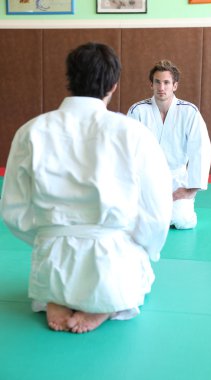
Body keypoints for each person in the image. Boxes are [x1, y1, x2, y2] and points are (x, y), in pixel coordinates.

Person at [0, 43, 172, 333]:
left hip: (52, 256)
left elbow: (13, 210)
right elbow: (157, 212)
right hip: (111, 255)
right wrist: (141, 246)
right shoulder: (133, 133)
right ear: (114, 85)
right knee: (140, 265)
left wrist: (49, 235)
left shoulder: (32, 131)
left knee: (60, 248)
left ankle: (54, 296)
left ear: (69, 78)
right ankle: (105, 301)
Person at [127, 60, 211, 229]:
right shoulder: (137, 111)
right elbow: (126, 150)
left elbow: (201, 150)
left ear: (175, 86)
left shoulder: (189, 112)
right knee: (140, 223)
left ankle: (178, 208)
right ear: (151, 84)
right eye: (157, 82)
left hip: (177, 180)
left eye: (166, 82)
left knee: (183, 221)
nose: (161, 87)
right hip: (146, 180)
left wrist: (190, 191)